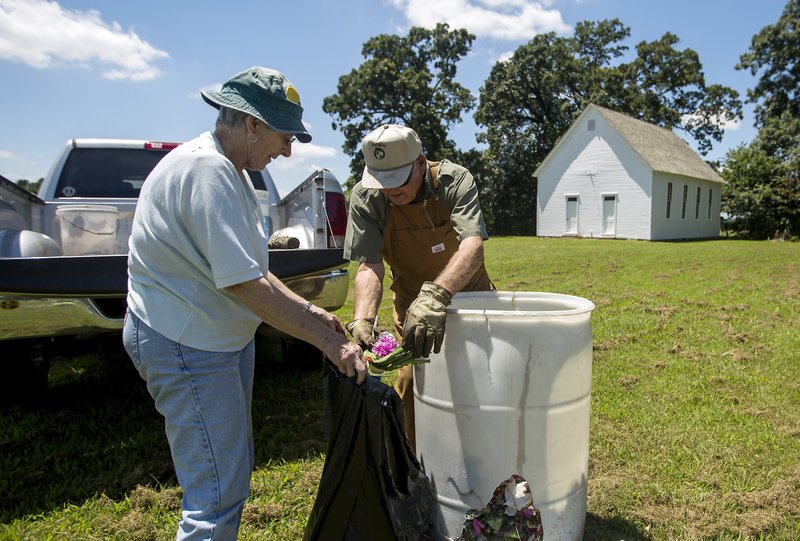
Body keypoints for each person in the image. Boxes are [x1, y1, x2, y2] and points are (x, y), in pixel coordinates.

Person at [123, 66, 366, 540]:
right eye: (284, 136)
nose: (290, 150)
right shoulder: (206, 170)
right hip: (186, 343)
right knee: (215, 495)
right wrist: (326, 342)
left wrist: (314, 314)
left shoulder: (229, 169)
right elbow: (245, 286)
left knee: (226, 473)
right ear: (252, 124)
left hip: (213, 339)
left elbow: (251, 270)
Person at [343, 124, 493, 450]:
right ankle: (417, 465)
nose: (390, 191)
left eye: (397, 182)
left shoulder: (453, 180)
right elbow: (369, 264)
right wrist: (363, 317)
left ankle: (486, 455)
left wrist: (438, 294)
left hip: (473, 301)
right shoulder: (367, 198)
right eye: (382, 183)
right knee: (413, 385)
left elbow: (472, 247)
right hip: (413, 309)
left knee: (483, 384)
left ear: (421, 164)